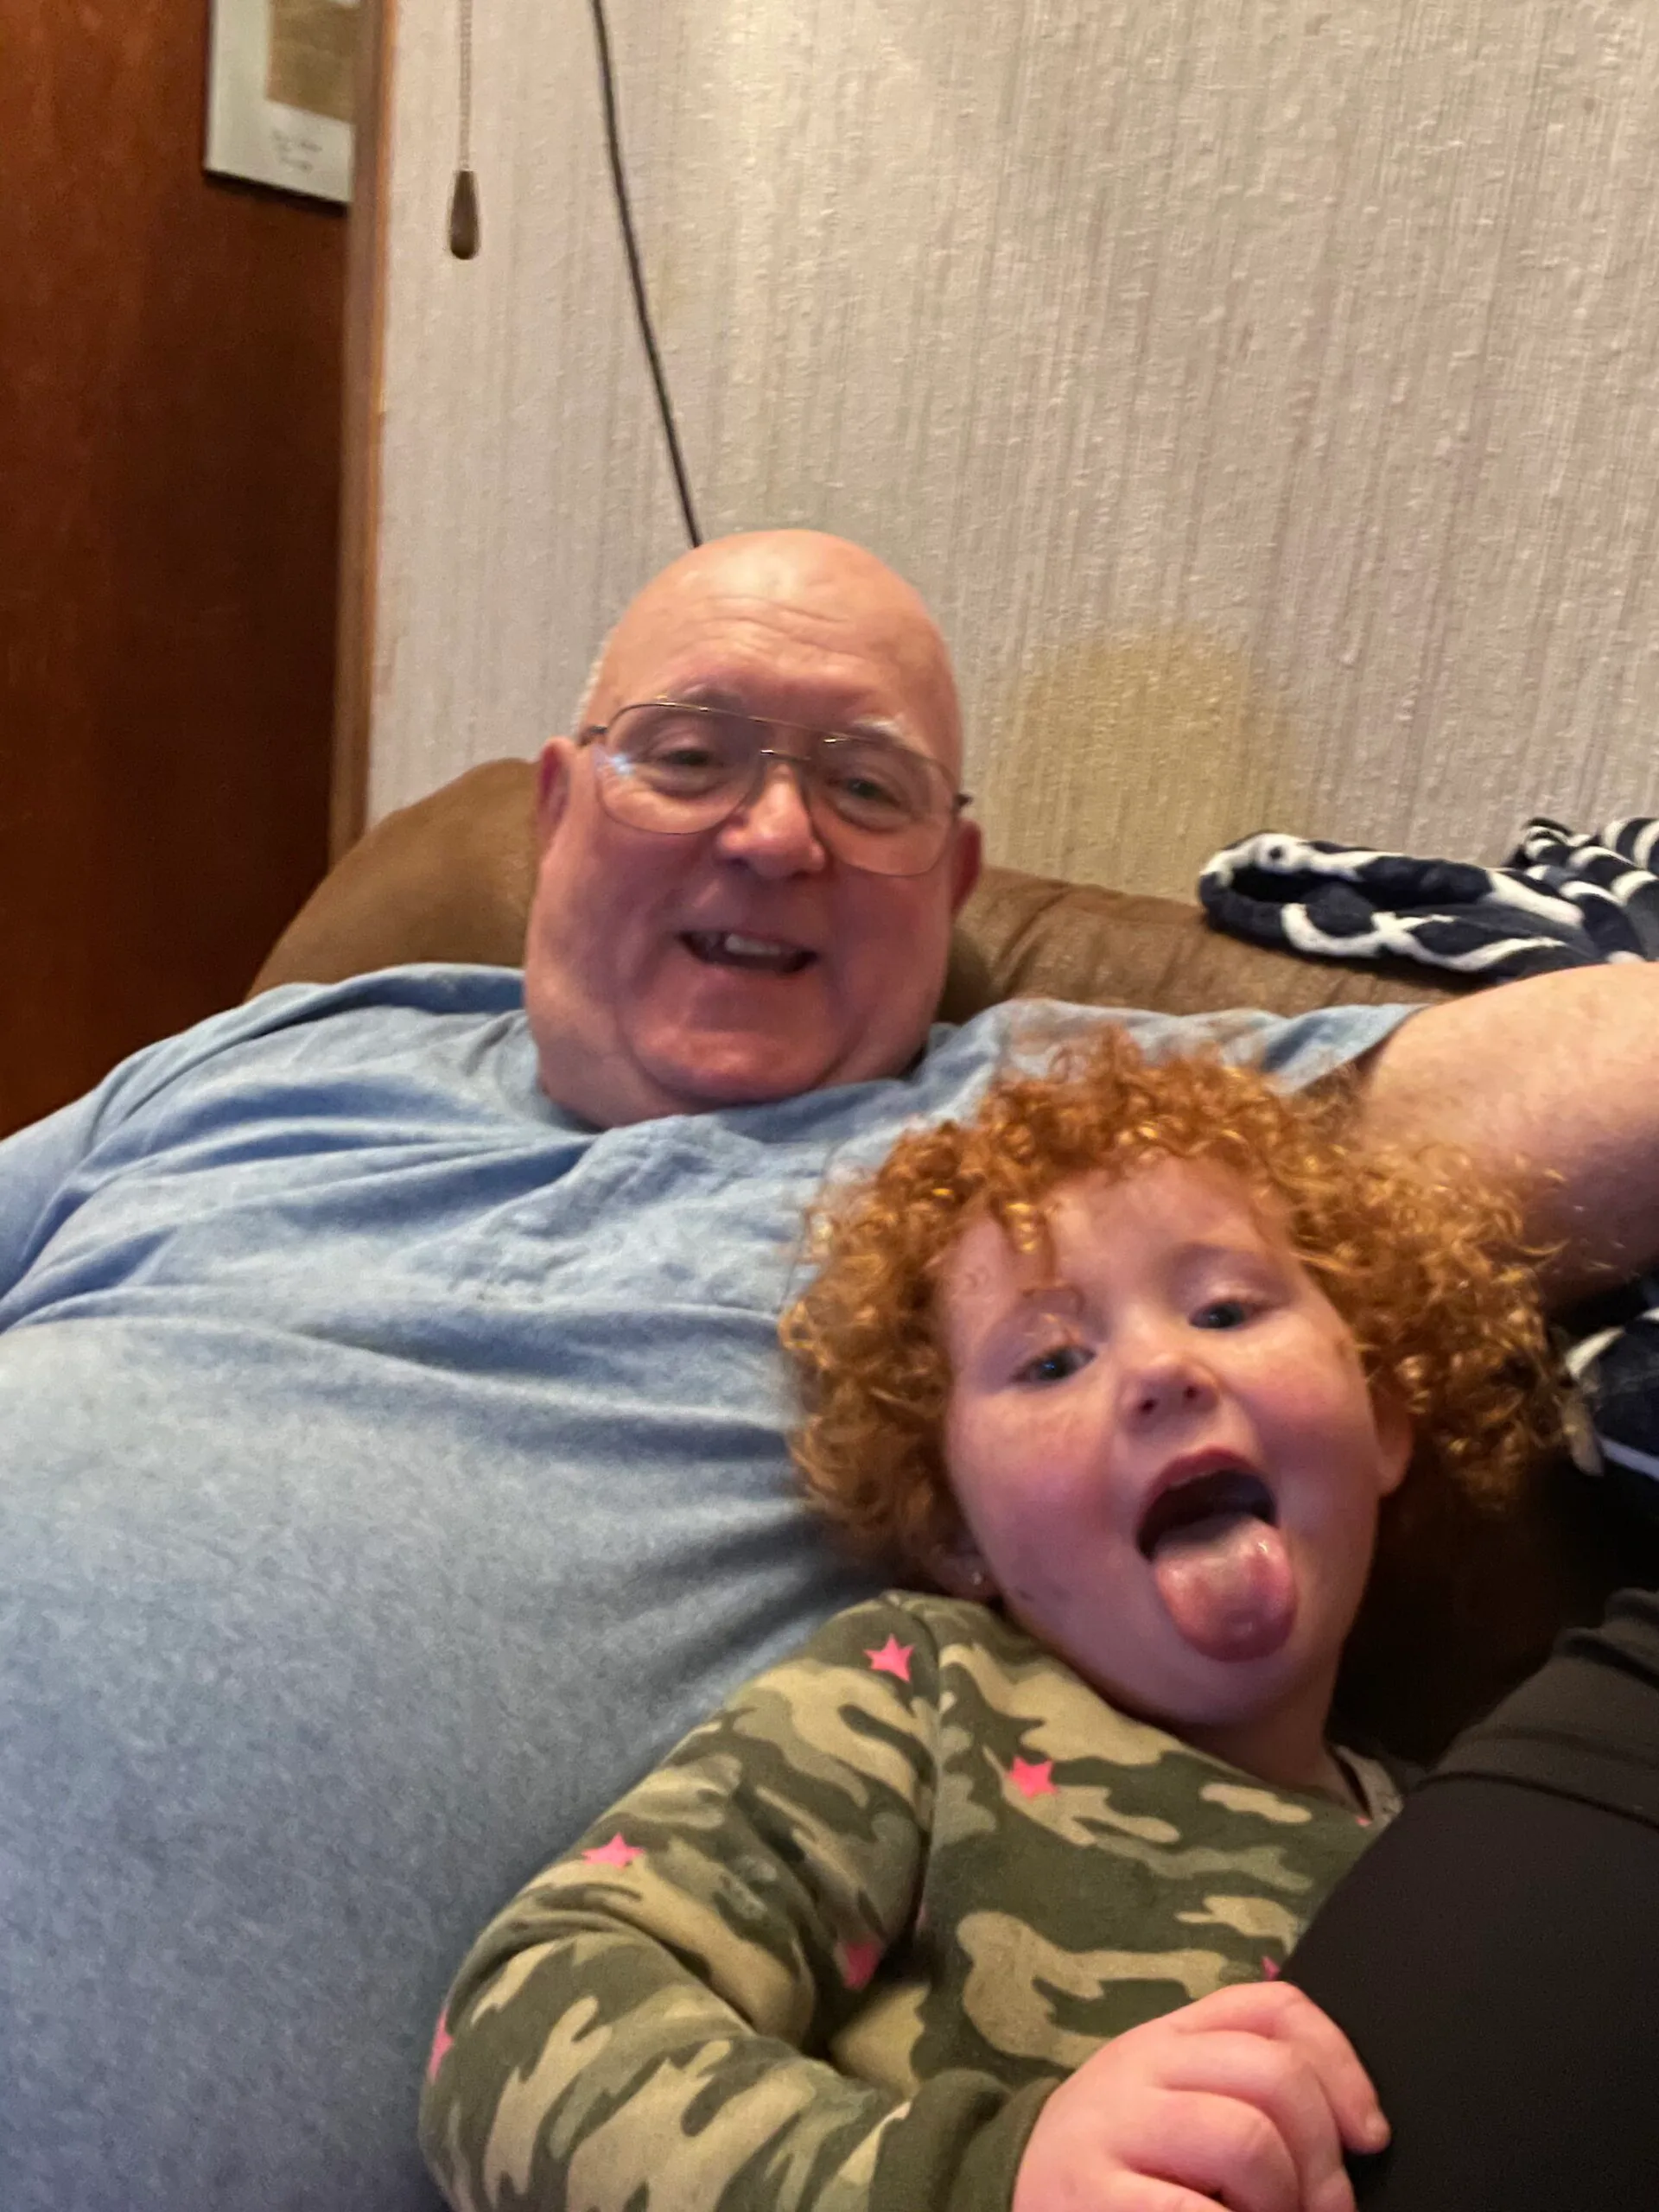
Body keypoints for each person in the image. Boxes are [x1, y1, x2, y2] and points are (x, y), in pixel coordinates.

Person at [1, 529, 1656, 2209]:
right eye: (691, 753)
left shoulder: (1031, 1163)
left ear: (953, 879)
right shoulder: (266, 1052)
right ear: (559, 802)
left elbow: (1548, 1100)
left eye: (866, 787)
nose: (775, 829)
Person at [417, 1034, 1559, 2212]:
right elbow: (525, 2026)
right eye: (1053, 1360)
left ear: (1381, 1419)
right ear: (957, 1531)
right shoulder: (930, 1696)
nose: (1163, 1369)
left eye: (1225, 1307)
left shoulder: (1468, 1849)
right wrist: (985, 2184)